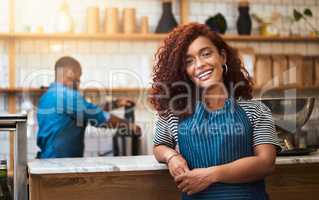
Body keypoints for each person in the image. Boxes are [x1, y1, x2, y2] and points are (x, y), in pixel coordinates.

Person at [150, 23, 281, 199]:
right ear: (184, 72)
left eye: (206, 53)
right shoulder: (175, 112)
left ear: (222, 57)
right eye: (189, 61)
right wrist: (171, 156)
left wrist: (210, 175)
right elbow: (160, 145)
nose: (200, 64)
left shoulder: (256, 110)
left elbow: (265, 163)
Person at [36, 56, 141, 158]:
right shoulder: (67, 95)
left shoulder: (47, 95)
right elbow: (100, 117)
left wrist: (116, 103)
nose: (78, 83)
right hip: (60, 166)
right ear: (69, 73)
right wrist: (129, 126)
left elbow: (87, 110)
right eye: (78, 78)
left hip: (48, 160)